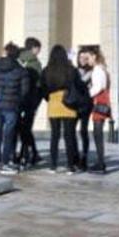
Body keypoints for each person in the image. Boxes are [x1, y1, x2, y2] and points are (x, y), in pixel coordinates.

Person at [0, 43, 29, 174]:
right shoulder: (21, 70)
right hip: (12, 106)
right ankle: (6, 162)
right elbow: (25, 91)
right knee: (9, 135)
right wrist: (18, 102)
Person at [41, 44, 81, 174]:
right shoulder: (71, 69)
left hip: (53, 102)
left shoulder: (47, 70)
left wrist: (49, 98)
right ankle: (70, 166)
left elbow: (43, 88)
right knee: (69, 136)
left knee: (55, 135)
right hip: (68, 102)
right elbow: (78, 86)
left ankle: (53, 165)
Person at [17, 37, 44, 168]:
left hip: (17, 99)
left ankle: (31, 152)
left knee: (22, 128)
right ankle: (27, 154)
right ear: (34, 48)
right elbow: (39, 85)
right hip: (31, 100)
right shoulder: (35, 63)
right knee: (27, 127)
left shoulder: (18, 59)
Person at [85, 48, 111, 173]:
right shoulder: (102, 69)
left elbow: (98, 87)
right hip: (103, 101)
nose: (87, 60)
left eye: (88, 57)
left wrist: (87, 95)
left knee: (98, 133)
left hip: (99, 102)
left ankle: (101, 163)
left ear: (94, 57)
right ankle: (100, 161)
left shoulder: (97, 70)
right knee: (97, 133)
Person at [75, 47, 93, 171]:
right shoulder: (74, 71)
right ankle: (75, 156)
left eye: (86, 58)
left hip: (86, 104)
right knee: (71, 131)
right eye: (81, 58)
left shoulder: (92, 72)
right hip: (75, 104)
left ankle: (84, 158)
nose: (83, 60)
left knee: (83, 131)